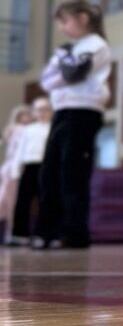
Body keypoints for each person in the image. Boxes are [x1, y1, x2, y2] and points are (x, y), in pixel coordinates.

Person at [35, 0, 112, 249]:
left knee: (73, 172)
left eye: (65, 20)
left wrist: (63, 70)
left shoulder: (96, 45)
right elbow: (46, 81)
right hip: (62, 110)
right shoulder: (67, 48)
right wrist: (63, 71)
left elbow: (73, 73)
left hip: (84, 110)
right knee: (50, 171)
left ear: (82, 19)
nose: (61, 27)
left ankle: (74, 232)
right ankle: (47, 231)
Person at [10, 98, 53, 244]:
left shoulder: (53, 129)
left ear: (51, 112)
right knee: (22, 202)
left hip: (47, 167)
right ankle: (20, 235)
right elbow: (19, 150)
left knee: (46, 201)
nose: (42, 113)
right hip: (29, 166)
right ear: (34, 112)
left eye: (46, 109)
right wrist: (15, 170)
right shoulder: (27, 130)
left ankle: (43, 234)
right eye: (39, 109)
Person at [0, 105, 32, 244]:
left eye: (27, 115)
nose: (25, 118)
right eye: (22, 116)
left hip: (19, 168)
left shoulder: (31, 130)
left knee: (13, 203)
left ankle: (11, 233)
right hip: (12, 169)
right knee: (7, 202)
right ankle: (11, 233)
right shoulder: (16, 130)